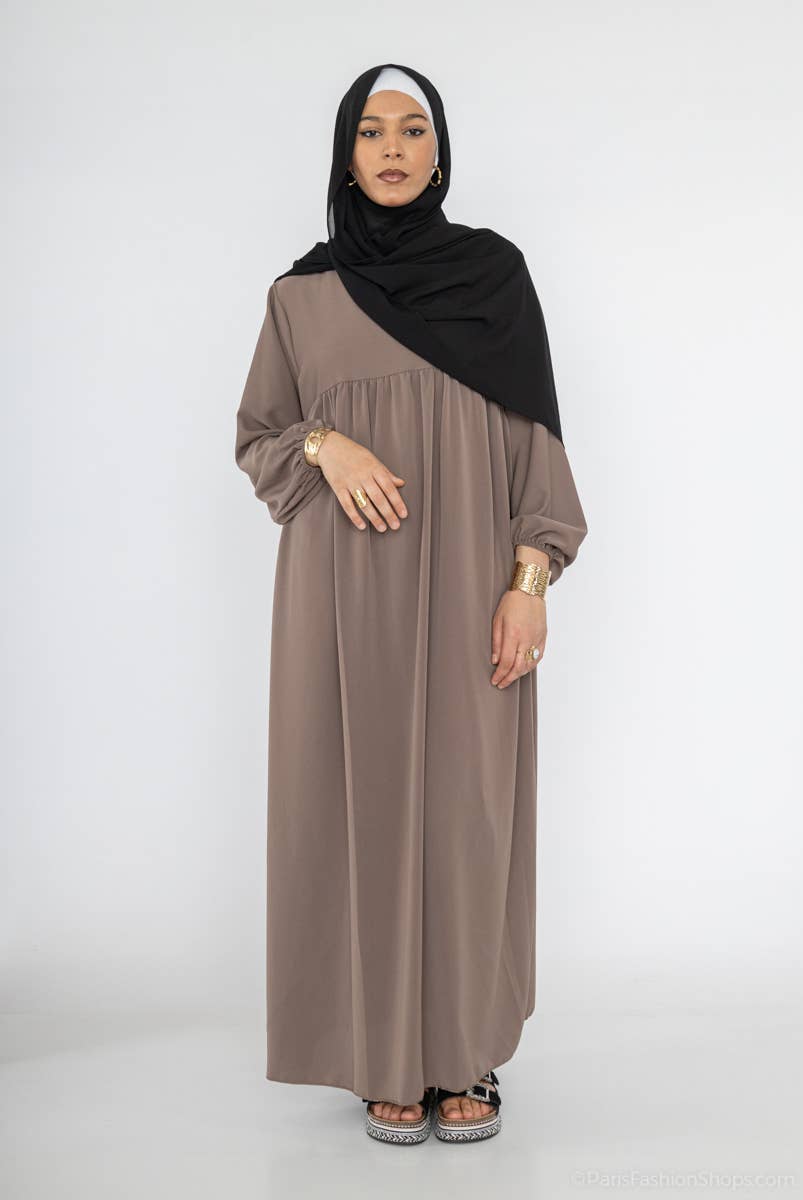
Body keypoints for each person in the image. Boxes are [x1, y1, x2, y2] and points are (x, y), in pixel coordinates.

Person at [234, 63, 588, 1146]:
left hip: (474, 594)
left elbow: (537, 448)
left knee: (468, 812)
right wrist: (323, 442)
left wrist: (529, 584)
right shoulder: (299, 297)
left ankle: (462, 1048)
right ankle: (383, 1054)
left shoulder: (493, 278)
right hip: (340, 607)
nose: (392, 148)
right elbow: (258, 440)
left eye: (413, 129)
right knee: (360, 809)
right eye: (371, 131)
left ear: (439, 155)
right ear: (346, 156)